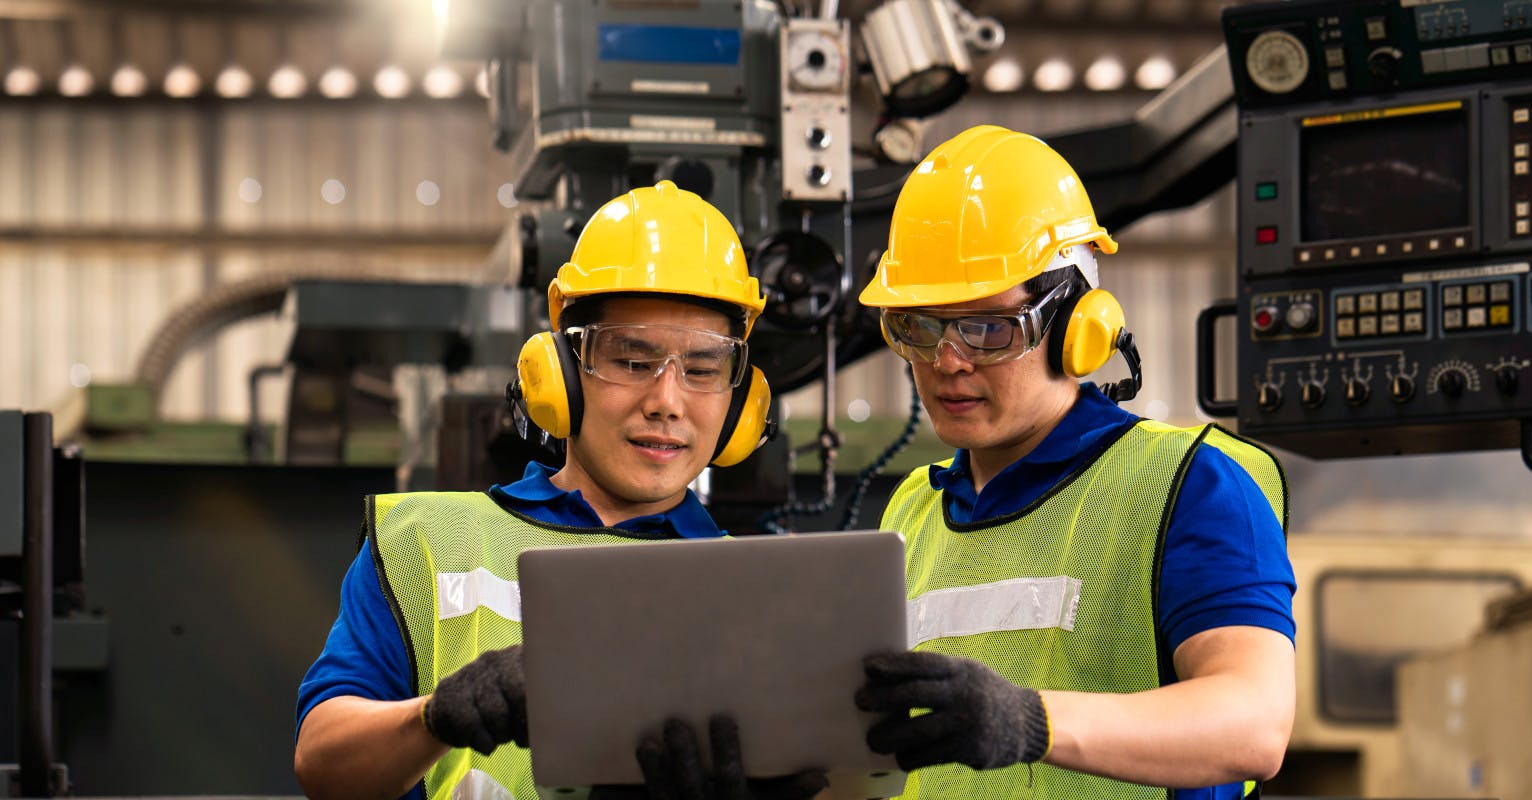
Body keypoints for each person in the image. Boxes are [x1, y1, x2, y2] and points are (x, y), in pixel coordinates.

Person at [294, 181, 824, 800]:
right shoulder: (430, 543)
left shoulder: (767, 590)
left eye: (703, 370)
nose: (667, 402)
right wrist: (435, 717)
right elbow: (321, 764)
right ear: (561, 372)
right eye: (633, 362)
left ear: (741, 401)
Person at [851, 125, 1296, 799]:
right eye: (919, 326)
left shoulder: (1189, 486)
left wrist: (1032, 722)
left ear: (1077, 326)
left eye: (987, 328)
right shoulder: (913, 511)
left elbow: (1254, 724)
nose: (946, 361)